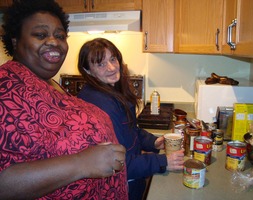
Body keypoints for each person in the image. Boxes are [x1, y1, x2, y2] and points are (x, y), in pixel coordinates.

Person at [0, 1, 128, 199]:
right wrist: (81, 163)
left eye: (60, 36)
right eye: (40, 35)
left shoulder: (48, 83)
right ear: (15, 41)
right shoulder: (6, 86)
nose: (53, 42)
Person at [77, 38, 185, 200]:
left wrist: (153, 142)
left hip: (131, 177)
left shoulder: (110, 90)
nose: (112, 67)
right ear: (88, 71)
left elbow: (129, 129)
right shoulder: (101, 105)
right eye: (101, 64)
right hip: (120, 184)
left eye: (112, 59)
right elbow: (117, 162)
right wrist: (163, 161)